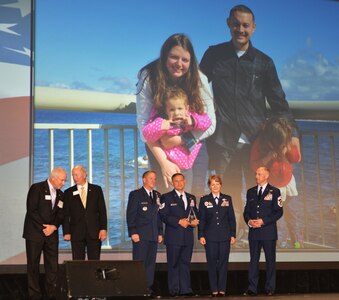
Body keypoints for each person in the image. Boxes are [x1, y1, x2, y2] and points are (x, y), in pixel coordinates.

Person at [200, 4, 299, 239]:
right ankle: (230, 240)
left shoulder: (264, 62)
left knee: (258, 196)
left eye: (245, 25)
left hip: (257, 144)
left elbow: (278, 102)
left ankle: (256, 240)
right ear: (228, 24)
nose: (240, 29)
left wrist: (293, 134)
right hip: (223, 142)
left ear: (253, 28)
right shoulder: (214, 54)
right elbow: (197, 88)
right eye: (236, 24)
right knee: (225, 196)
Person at [137, 33, 216, 197]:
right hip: (161, 147)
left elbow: (211, 123)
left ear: (191, 62)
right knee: (168, 196)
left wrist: (181, 140)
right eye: (174, 57)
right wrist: (164, 162)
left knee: (197, 195)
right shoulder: (149, 76)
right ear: (165, 56)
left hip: (195, 143)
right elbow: (144, 127)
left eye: (185, 60)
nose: (179, 64)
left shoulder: (199, 78)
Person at [142, 87, 212, 191]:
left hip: (188, 166)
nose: (176, 113)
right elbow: (146, 133)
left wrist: (193, 121)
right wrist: (160, 126)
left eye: (180, 109)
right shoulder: (162, 121)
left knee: (189, 194)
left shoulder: (190, 118)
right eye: (172, 109)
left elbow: (207, 122)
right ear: (166, 111)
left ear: (186, 109)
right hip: (173, 166)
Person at [250, 116, 304, 248]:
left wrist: (289, 148)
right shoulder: (260, 144)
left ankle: (297, 241)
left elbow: (296, 159)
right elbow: (254, 166)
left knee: (293, 214)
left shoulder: (286, 141)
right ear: (270, 141)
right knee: (276, 218)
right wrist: (268, 157)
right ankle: (280, 243)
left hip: (288, 185)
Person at [23, 167, 67, 300]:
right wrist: (45, 227)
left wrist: (53, 227)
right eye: (62, 180)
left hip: (51, 235)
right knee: (33, 265)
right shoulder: (36, 188)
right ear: (53, 178)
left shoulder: (61, 194)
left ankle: (51, 294)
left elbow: (61, 214)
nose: (63, 183)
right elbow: (32, 210)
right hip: (35, 233)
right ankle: (34, 295)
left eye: (65, 180)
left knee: (52, 266)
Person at [243, 167, 283, 296]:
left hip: (268, 232)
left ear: (267, 176)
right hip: (254, 232)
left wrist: (263, 221)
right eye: (256, 174)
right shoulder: (251, 192)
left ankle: (270, 287)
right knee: (253, 260)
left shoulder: (275, 191)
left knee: (270, 260)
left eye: (259, 174)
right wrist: (249, 221)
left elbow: (279, 212)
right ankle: (252, 288)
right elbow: (246, 211)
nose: (256, 176)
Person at [159, 173, 199, 297]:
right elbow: (164, 216)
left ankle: (186, 289)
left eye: (181, 181)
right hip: (174, 237)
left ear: (185, 181)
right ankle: (174, 290)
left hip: (188, 237)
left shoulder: (191, 197)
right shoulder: (166, 197)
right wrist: (178, 221)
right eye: (176, 181)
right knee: (173, 264)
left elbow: (195, 213)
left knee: (185, 264)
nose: (179, 183)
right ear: (172, 182)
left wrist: (195, 222)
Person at [126, 170, 163, 297]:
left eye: (155, 178)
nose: (153, 181)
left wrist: (160, 232)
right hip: (140, 235)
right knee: (139, 263)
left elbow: (159, 217)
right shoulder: (136, 194)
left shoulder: (157, 195)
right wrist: (133, 232)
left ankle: (148, 289)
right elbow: (131, 215)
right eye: (151, 178)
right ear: (144, 179)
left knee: (150, 264)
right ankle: (138, 289)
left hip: (153, 235)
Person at [198, 175, 236, 297]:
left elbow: (231, 218)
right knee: (212, 263)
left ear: (221, 185)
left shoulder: (227, 198)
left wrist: (233, 234)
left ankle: (222, 288)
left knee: (223, 263)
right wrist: (201, 235)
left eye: (217, 183)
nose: (215, 186)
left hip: (225, 236)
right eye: (212, 184)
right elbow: (202, 219)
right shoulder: (204, 200)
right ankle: (214, 288)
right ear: (209, 186)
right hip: (210, 237)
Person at [62, 165, 107, 260]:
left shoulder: (96, 190)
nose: (75, 177)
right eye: (73, 175)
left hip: (94, 232)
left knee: (94, 262)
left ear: (84, 174)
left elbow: (102, 211)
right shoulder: (68, 192)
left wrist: (103, 229)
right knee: (78, 263)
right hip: (76, 233)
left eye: (77, 175)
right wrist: (66, 232)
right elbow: (65, 215)